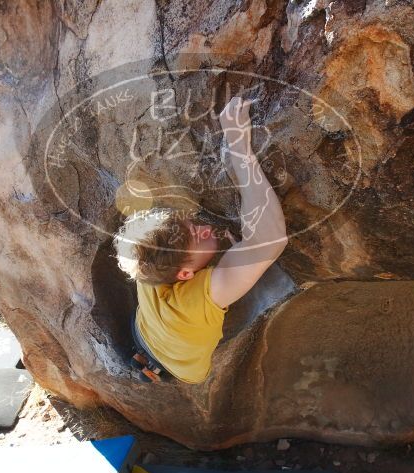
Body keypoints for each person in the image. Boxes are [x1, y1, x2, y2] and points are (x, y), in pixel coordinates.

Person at [113, 96, 288, 384]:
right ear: (185, 275)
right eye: (197, 237)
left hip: (142, 330)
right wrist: (238, 145)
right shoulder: (196, 304)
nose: (205, 228)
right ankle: (148, 368)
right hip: (180, 369)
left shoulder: (147, 260)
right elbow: (271, 240)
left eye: (192, 225)